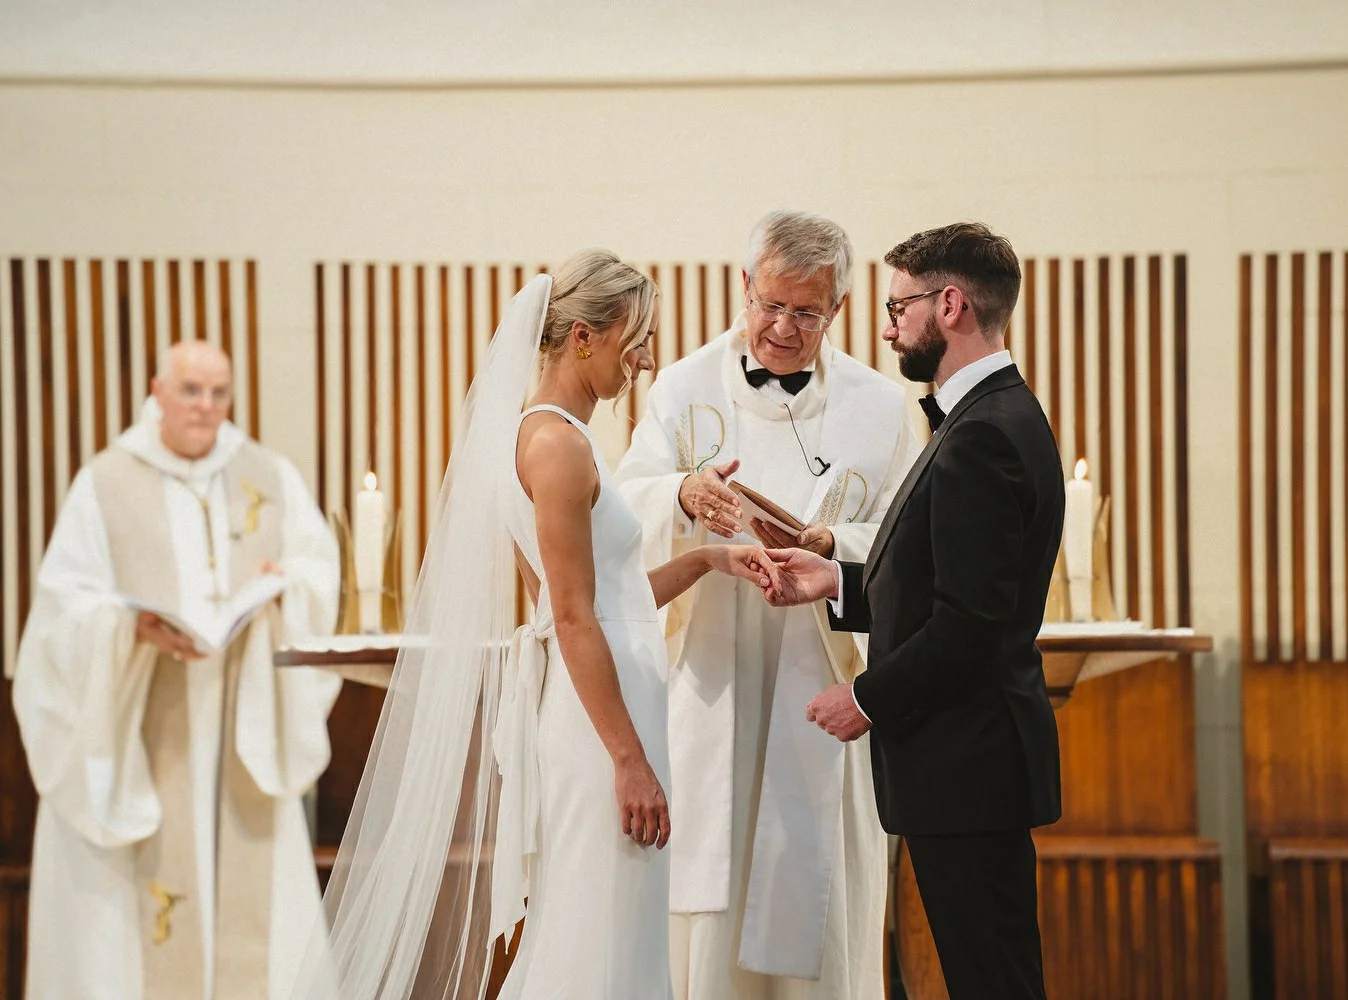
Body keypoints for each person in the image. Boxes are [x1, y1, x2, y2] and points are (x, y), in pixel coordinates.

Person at [297, 251, 778, 1000]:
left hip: (609, 705)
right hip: (602, 726)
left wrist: (709, 561)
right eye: (636, 338)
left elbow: (608, 598)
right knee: (596, 936)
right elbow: (571, 616)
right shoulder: (555, 446)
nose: (647, 359)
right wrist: (629, 760)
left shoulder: (554, 438)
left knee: (615, 926)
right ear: (583, 337)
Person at [616, 211, 920, 999]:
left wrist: (828, 547)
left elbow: (906, 538)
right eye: (770, 303)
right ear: (743, 286)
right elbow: (618, 507)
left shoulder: (882, 409)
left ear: (839, 309)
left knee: (810, 885)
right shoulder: (681, 388)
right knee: (710, 900)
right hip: (711, 672)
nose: (783, 327)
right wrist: (683, 494)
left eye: (806, 312)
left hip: (815, 676)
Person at [760, 222, 1065, 1000]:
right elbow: (949, 589)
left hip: (967, 762)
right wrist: (836, 581)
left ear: (951, 304)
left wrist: (864, 697)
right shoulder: (986, 416)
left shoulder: (983, 437)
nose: (888, 325)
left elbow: (970, 626)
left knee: (992, 980)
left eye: (899, 307)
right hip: (969, 763)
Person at [9, 340, 344, 1000]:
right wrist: (125, 625)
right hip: (143, 730)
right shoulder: (106, 481)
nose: (206, 407)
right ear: (158, 391)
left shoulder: (267, 475)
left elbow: (316, 570)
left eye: (219, 393)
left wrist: (285, 589)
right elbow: (63, 609)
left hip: (238, 727)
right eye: (191, 391)